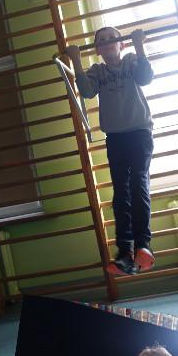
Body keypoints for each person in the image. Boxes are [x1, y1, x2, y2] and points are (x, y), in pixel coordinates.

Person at [65, 26, 155, 277]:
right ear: (98, 49)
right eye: (101, 40)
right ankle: (125, 251)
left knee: (138, 183)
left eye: (111, 38)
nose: (106, 42)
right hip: (115, 137)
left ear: (121, 44)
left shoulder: (131, 60)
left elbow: (145, 78)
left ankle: (143, 245)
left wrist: (139, 45)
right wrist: (76, 60)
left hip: (139, 132)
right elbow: (87, 91)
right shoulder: (97, 71)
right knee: (121, 192)